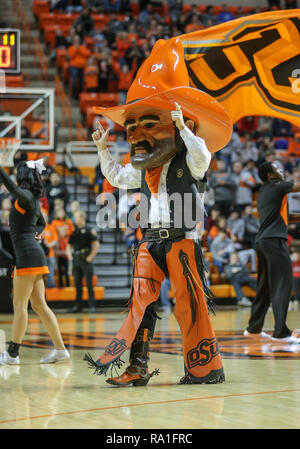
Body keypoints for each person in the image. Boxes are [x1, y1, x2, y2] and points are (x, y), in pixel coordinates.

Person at [85, 38, 232, 386]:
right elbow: (119, 178)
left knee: (190, 304)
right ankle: (136, 368)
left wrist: (183, 128)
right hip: (150, 240)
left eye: (149, 124)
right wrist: (103, 151)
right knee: (142, 307)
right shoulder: (141, 168)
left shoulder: (188, 158)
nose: (136, 135)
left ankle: (205, 368)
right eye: (131, 126)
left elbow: (204, 157)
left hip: (183, 240)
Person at [0, 159, 70, 365]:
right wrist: (37, 233)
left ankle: (12, 353)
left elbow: (12, 187)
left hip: (28, 256)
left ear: (22, 176)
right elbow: (42, 222)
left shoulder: (27, 197)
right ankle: (60, 350)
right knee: (39, 305)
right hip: (33, 254)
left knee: (20, 305)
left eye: (16, 173)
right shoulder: (32, 200)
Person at [244, 162, 300, 343]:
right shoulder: (278, 186)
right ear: (269, 175)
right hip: (275, 241)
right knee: (283, 284)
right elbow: (297, 186)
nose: (281, 170)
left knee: (265, 286)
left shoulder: (265, 191)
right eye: (277, 168)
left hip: (262, 242)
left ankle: (253, 328)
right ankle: (281, 332)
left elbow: (284, 217)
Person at [67, 210, 100, 313]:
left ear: (82, 218)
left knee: (89, 284)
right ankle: (78, 305)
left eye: (76, 217)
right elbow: (69, 245)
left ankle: (91, 305)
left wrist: (91, 256)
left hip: (86, 259)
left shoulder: (89, 229)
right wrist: (69, 255)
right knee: (77, 284)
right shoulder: (74, 231)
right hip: (76, 260)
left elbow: (96, 244)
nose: (75, 220)